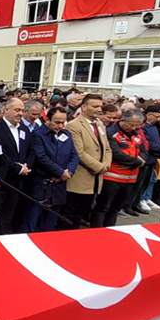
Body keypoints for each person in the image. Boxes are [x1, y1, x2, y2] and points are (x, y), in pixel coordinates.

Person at [91, 109, 149, 228]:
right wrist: (137, 162)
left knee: (115, 209)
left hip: (129, 179)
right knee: (103, 207)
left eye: (136, 125)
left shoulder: (136, 134)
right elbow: (116, 154)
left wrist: (138, 162)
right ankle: (96, 231)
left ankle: (110, 230)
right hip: (112, 178)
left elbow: (143, 151)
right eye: (131, 124)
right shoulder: (111, 132)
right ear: (123, 120)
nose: (133, 128)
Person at [25, 107, 78, 232]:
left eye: (62, 122)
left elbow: (74, 155)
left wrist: (68, 172)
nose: (60, 126)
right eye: (57, 122)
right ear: (47, 119)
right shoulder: (38, 134)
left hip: (59, 185)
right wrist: (60, 172)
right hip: (42, 184)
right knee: (33, 218)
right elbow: (41, 157)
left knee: (51, 220)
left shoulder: (66, 134)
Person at [65, 94, 111, 229]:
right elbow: (79, 152)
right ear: (84, 107)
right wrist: (98, 166)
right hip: (80, 178)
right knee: (71, 215)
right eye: (95, 106)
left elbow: (107, 148)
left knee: (84, 212)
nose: (99, 109)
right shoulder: (74, 126)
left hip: (95, 179)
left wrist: (106, 165)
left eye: (100, 106)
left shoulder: (100, 125)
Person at [0, 97, 31, 234]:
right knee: (1, 216)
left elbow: (31, 150)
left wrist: (26, 166)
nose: (20, 113)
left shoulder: (24, 129)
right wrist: (17, 167)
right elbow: (0, 153)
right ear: (6, 110)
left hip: (20, 181)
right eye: (17, 110)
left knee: (13, 215)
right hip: (4, 179)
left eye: (22, 110)